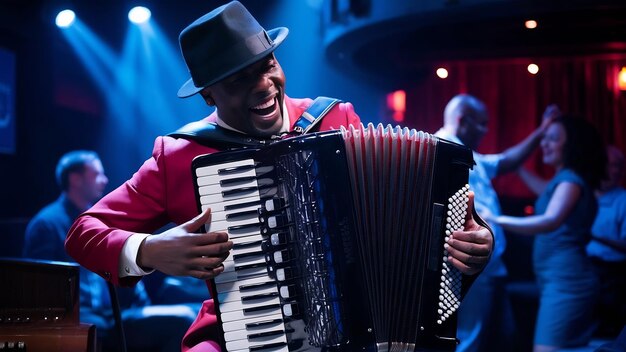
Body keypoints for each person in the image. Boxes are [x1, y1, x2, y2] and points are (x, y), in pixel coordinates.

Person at [64, 2, 494, 351]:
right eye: (239, 80)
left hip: (359, 330)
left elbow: (399, 221)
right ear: (208, 94)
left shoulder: (334, 119)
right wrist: (150, 250)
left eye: (266, 65)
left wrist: (476, 240)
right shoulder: (179, 155)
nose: (264, 85)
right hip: (237, 337)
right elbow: (83, 232)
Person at [24, 150, 198, 352]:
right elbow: (39, 285)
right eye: (97, 174)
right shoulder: (46, 223)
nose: (104, 180)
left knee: (198, 312)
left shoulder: (99, 219)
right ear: (75, 179)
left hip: (112, 313)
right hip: (82, 318)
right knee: (183, 319)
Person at [434, 94, 559, 352]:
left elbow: (507, 161)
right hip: (465, 263)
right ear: (463, 121)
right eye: (481, 123)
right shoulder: (441, 150)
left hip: (491, 265)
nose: (486, 130)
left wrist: (541, 131)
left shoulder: (467, 154)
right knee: (470, 335)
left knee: (496, 336)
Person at [485, 116, 607, 352]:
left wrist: (496, 219)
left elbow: (550, 220)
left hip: (567, 283)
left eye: (553, 139)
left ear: (571, 145)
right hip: (557, 280)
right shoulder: (564, 181)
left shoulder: (570, 181)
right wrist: (517, 168)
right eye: (545, 138)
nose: (544, 144)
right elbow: (544, 192)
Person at [586, 145, 626, 337]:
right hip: (583, 267)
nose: (616, 171)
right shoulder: (582, 193)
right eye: (611, 165)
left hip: (612, 274)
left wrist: (592, 235)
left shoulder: (623, 199)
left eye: (619, 166)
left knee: (607, 330)